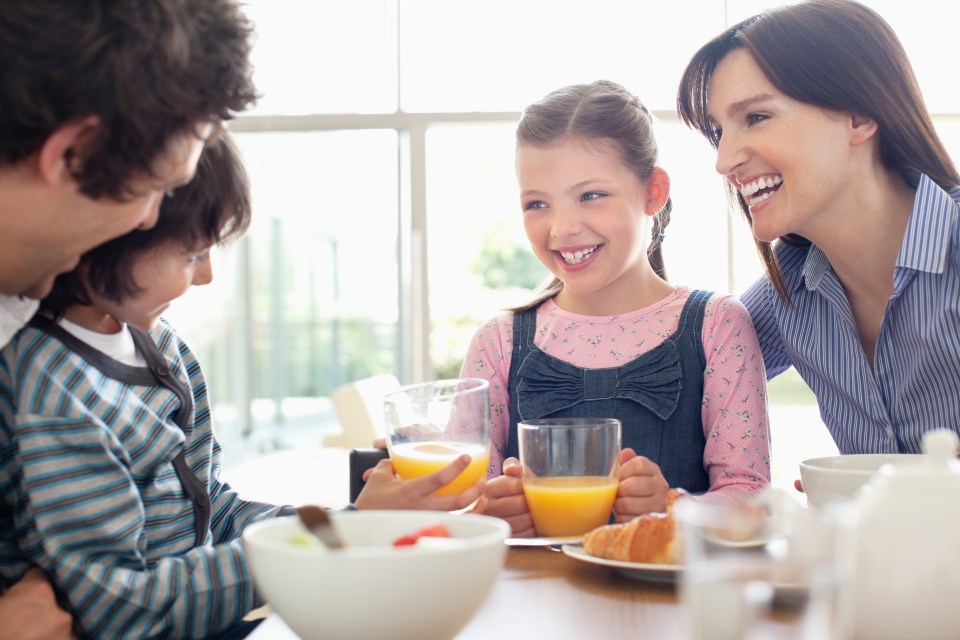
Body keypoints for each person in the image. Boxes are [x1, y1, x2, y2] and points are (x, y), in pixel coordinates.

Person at [0, 132, 483, 639]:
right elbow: (120, 608)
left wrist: (348, 523)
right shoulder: (52, 394)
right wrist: (340, 535)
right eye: (191, 254)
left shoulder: (163, 350)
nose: (207, 276)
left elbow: (216, 512)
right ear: (112, 234)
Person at [0, 1, 259, 637]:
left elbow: (208, 503)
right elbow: (112, 599)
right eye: (153, 188)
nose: (148, 219)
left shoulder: (153, 348)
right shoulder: (41, 378)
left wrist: (334, 528)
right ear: (74, 155)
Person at [461, 80, 771, 537]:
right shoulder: (498, 341)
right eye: (537, 204)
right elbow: (463, 499)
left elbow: (752, 494)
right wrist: (489, 512)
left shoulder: (718, 325)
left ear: (653, 192)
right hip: (534, 603)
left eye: (591, 195)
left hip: (664, 604)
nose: (562, 228)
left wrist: (675, 508)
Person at [676, 0, 960, 464]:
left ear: (860, 116)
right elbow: (683, 390)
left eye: (756, 117)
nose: (724, 160)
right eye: (717, 132)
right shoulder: (790, 289)